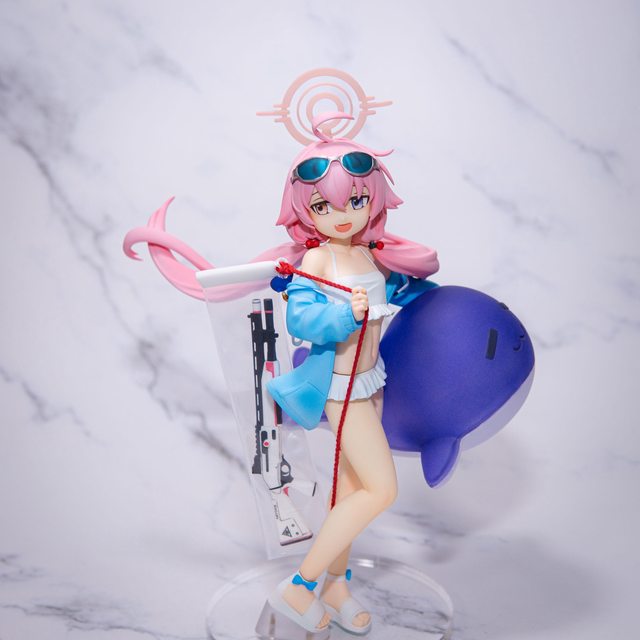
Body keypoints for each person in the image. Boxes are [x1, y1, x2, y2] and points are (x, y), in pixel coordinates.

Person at [123, 111, 439, 635]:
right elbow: (301, 319)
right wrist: (345, 315)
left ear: (374, 197)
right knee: (381, 490)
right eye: (323, 206)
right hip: (342, 392)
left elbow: (401, 293)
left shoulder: (372, 256)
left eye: (356, 200)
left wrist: (428, 299)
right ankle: (300, 585)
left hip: (372, 383)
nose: (342, 215)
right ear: (304, 210)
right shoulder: (316, 263)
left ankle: (335, 586)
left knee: (349, 492)